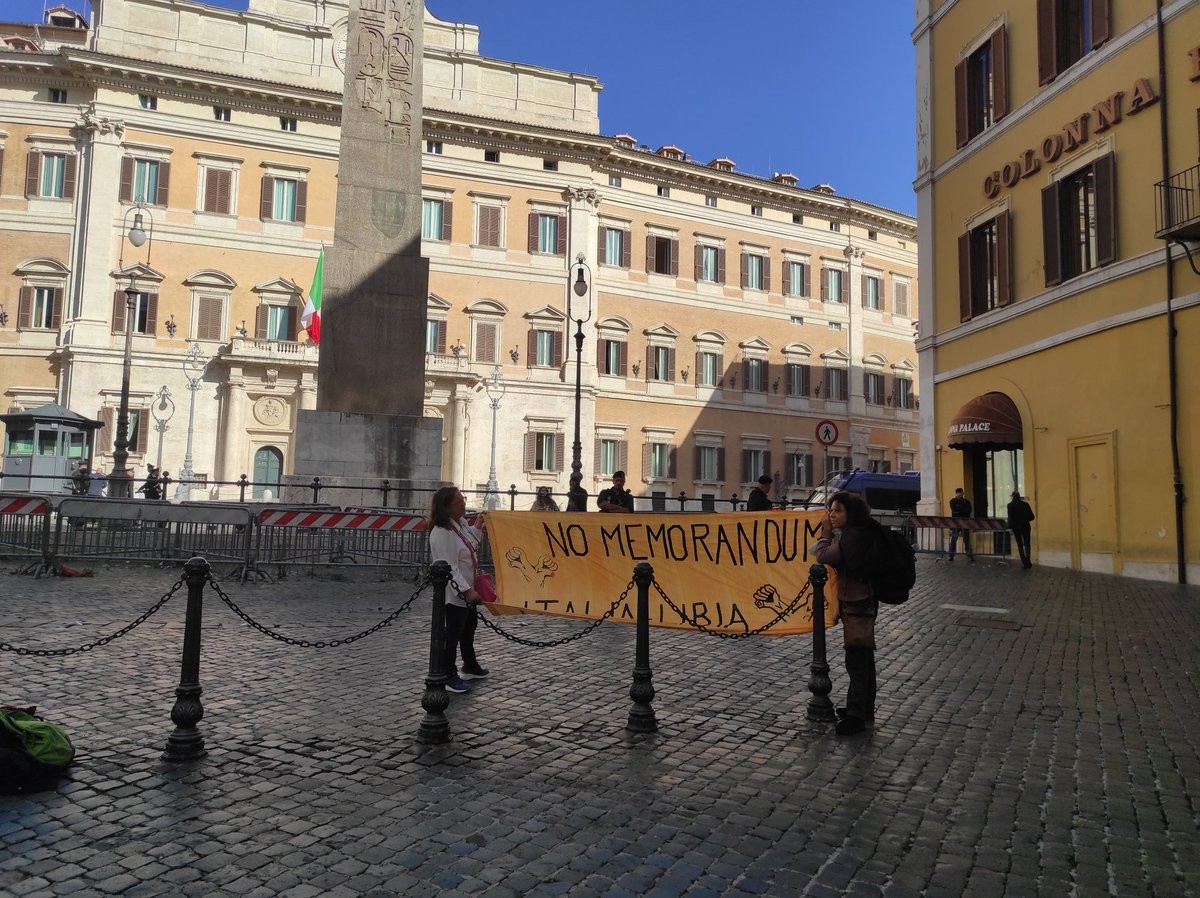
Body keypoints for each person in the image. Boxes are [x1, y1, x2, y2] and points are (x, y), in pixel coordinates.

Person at [812, 490, 881, 736]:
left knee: (857, 659)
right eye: (830, 510)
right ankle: (864, 707)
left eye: (837, 511)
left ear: (851, 513)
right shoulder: (861, 531)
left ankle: (856, 716)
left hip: (857, 602)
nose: (832, 514)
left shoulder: (853, 537)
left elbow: (822, 555)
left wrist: (825, 532)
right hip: (862, 600)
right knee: (864, 657)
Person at [427, 486, 489, 694]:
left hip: (467, 585)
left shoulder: (459, 524)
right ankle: (448, 673)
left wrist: (477, 526)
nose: (463, 505)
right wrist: (467, 590)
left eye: (463, 500)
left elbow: (471, 544)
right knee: (453, 632)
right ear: (446, 507)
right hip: (455, 592)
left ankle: (469, 664)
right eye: (458, 502)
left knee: (469, 627)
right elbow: (450, 566)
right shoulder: (442, 532)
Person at [1007, 491, 1035, 569]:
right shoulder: (1025, 504)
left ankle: (1024, 562)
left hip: (1016, 528)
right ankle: (1028, 561)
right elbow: (1032, 517)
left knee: (1020, 545)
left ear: (1013, 497)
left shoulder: (1010, 505)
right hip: (1026, 527)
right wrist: (1025, 520)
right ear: (1019, 496)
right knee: (1027, 544)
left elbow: (1010, 518)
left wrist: (1010, 527)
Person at [948, 487, 974, 561]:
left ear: (963, 493)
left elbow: (969, 511)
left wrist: (959, 510)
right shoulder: (953, 501)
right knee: (954, 539)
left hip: (965, 523)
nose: (960, 494)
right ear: (956, 494)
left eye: (961, 492)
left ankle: (970, 555)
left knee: (966, 539)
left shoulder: (966, 501)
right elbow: (954, 510)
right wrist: (963, 510)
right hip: (956, 523)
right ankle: (951, 555)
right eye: (958, 493)